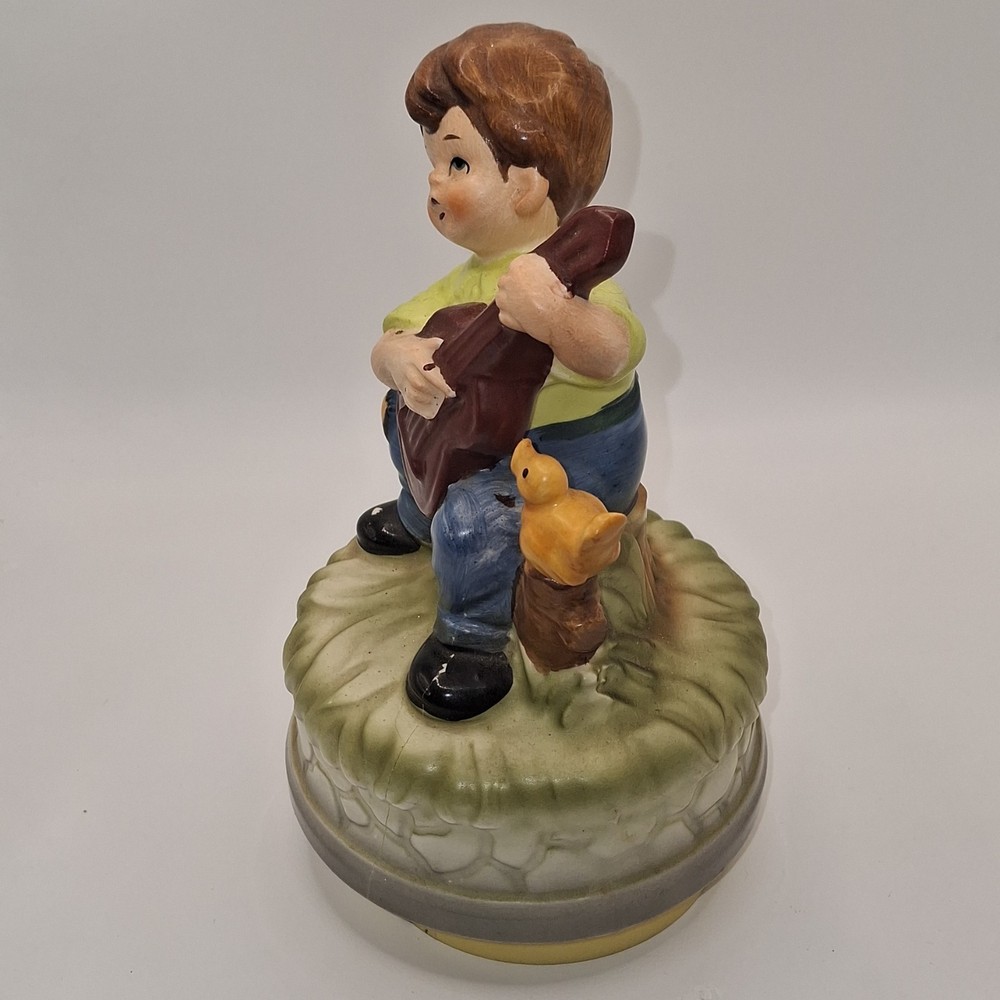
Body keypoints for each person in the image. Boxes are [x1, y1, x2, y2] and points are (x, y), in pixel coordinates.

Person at [356, 23, 647, 721]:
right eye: (434, 162)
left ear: (525, 183)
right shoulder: (468, 280)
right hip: (484, 442)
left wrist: (554, 316)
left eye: (457, 162)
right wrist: (399, 359)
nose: (435, 180)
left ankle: (472, 638)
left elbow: (613, 350)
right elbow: (390, 339)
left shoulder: (573, 278)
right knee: (399, 414)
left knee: (473, 521)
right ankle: (416, 510)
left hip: (573, 459)